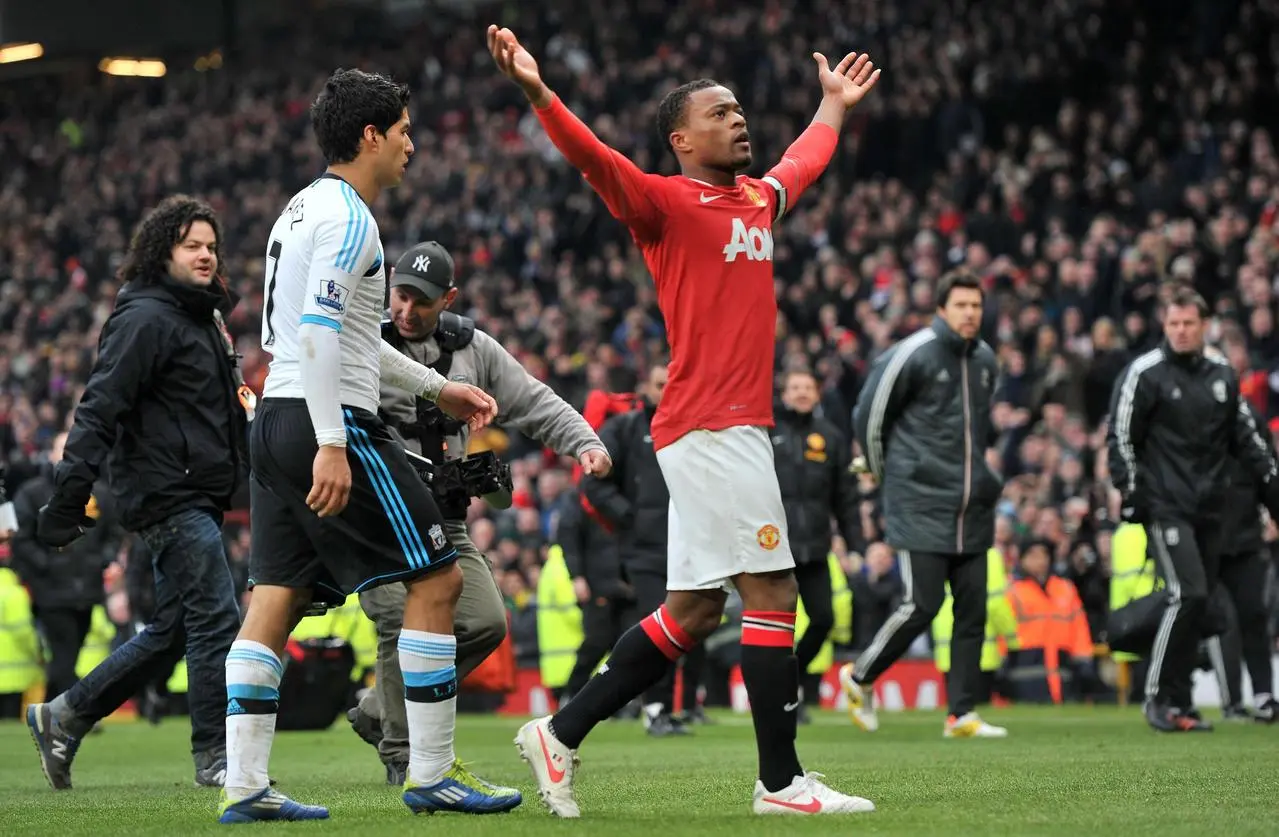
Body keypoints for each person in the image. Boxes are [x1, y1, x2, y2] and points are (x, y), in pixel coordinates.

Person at [489, 24, 880, 817]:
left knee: (696, 610)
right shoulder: (664, 203)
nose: (738, 120)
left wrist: (831, 106)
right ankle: (780, 784)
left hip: (719, 429)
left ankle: (559, 733)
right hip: (711, 425)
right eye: (720, 113)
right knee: (773, 589)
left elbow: (803, 157)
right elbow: (596, 160)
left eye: (739, 110)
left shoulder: (758, 200)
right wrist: (539, 92)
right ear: (682, 139)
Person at [217, 69, 510, 824]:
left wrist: (434, 388)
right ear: (371, 135)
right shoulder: (351, 221)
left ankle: (244, 783)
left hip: (275, 417)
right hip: (328, 420)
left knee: (273, 600)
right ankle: (431, 771)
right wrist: (331, 443)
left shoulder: (300, 208)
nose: (413, 144)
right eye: (406, 130)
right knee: (439, 579)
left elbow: (339, 337)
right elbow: (321, 336)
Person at [346, 240, 611, 783]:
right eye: (399, 295)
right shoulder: (362, 342)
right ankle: (402, 755)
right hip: (375, 515)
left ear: (448, 298)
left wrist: (584, 441)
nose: (406, 310)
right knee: (400, 622)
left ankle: (379, 708)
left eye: (421, 300)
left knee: (486, 623)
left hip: (443, 519)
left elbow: (534, 401)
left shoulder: (475, 349)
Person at [25, 195, 248, 790]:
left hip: (193, 490)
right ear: (161, 252)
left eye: (210, 245)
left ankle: (62, 716)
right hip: (165, 492)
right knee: (215, 614)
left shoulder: (198, 318)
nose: (205, 255)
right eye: (191, 245)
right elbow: (98, 408)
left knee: (175, 627)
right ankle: (216, 758)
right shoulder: (145, 319)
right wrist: (69, 495)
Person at [839, 271, 1008, 739]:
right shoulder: (912, 353)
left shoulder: (987, 361)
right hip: (919, 501)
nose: (970, 313)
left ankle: (962, 714)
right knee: (922, 604)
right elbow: (868, 414)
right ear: (941, 309)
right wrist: (883, 472)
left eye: (976, 305)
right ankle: (858, 677)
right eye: (961, 305)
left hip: (971, 504)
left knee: (972, 610)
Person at [1106, 284, 1279, 732]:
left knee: (1196, 605)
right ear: (1165, 325)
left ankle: (1180, 704)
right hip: (1167, 507)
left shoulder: (1222, 375)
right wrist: (1134, 496)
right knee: (1190, 594)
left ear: (1204, 326)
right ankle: (1158, 698)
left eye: (1189, 323)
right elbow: (1121, 438)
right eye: (1173, 323)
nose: (1181, 331)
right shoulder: (1145, 373)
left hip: (1210, 510)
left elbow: (1248, 440)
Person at [580, 364, 705, 735]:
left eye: (673, 384)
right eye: (660, 385)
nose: (667, 391)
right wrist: (629, 517)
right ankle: (655, 708)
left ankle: (667, 706)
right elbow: (595, 484)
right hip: (644, 550)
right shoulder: (625, 429)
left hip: (689, 545)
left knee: (686, 628)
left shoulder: (693, 430)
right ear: (645, 389)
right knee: (662, 626)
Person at [771, 369, 859, 721]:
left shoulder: (831, 437)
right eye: (796, 386)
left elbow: (846, 497)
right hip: (774, 548)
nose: (802, 392)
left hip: (815, 547)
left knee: (823, 618)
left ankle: (790, 682)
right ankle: (782, 700)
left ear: (817, 394)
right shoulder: (768, 431)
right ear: (785, 393)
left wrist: (855, 544)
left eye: (808, 387)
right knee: (778, 625)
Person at [11, 432, 120, 704]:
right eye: (63, 448)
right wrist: (46, 565)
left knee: (68, 654)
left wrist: (102, 560)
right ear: (51, 455)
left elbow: (115, 533)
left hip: (87, 588)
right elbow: (21, 538)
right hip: (51, 591)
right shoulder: (33, 492)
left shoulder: (100, 493)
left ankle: (49, 710)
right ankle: (80, 708)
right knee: (63, 655)